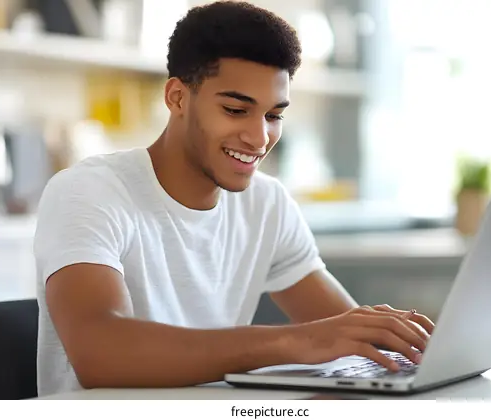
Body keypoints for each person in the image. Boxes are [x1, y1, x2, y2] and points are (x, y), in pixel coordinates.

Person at [33, 0, 435, 397]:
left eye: (273, 115)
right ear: (176, 98)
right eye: (235, 109)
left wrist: (410, 345)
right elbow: (100, 353)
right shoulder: (89, 191)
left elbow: (343, 331)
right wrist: (292, 342)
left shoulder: (266, 204)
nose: (260, 138)